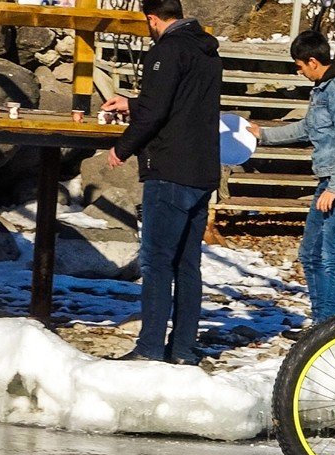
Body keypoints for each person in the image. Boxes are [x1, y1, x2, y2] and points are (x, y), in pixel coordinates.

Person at [104, 0, 222, 365]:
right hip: (202, 172)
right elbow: (179, 103)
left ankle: (150, 348)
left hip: (169, 171)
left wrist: (122, 148)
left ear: (153, 18)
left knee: (156, 263)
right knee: (188, 266)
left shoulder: (166, 51)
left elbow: (157, 112)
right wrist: (132, 103)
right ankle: (183, 349)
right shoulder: (207, 51)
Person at [247, 30, 335, 335]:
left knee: (330, 256)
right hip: (329, 180)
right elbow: (307, 127)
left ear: (313, 61)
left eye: (299, 65)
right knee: (309, 253)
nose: (298, 71)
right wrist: (265, 135)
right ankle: (320, 325)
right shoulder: (323, 88)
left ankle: (326, 329)